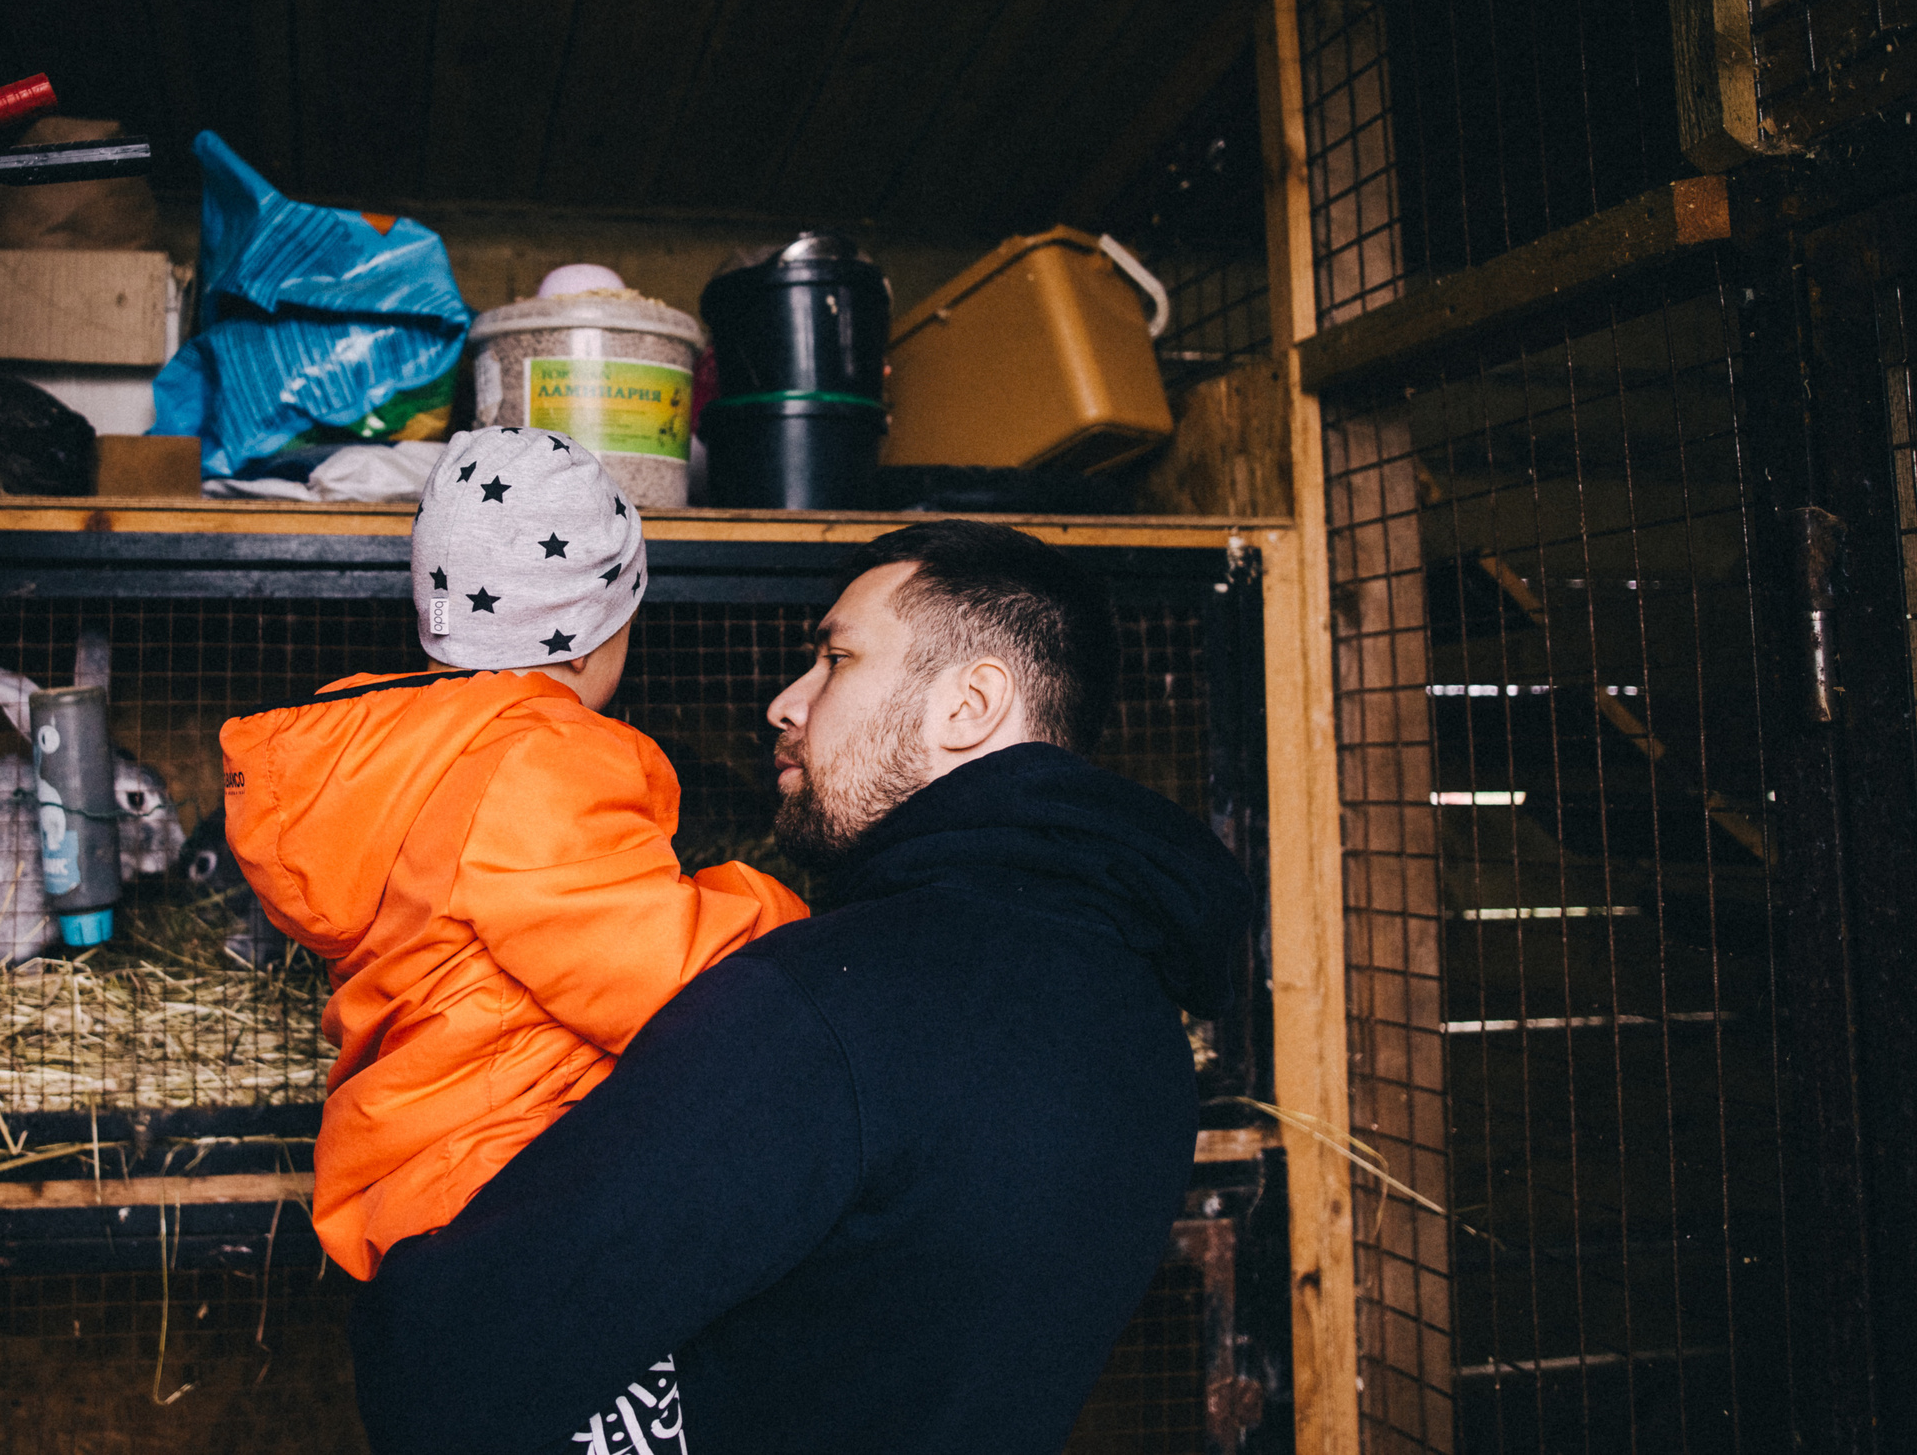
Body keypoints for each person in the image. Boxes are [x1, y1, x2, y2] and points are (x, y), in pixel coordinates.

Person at [348, 519, 1255, 1455]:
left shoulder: (823, 1002)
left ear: (970, 704)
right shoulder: (1145, 1030)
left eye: (837, 659)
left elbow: (437, 1372)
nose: (787, 701)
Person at [220, 427, 807, 1280]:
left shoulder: (395, 761)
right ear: (589, 637)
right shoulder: (539, 761)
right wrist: (800, 928)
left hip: (415, 1186)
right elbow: (664, 969)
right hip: (515, 1191)